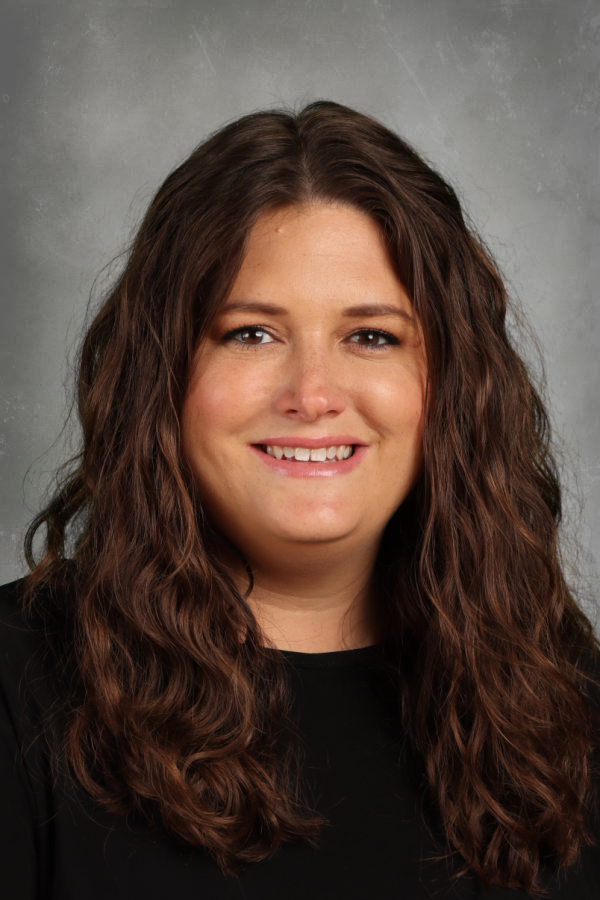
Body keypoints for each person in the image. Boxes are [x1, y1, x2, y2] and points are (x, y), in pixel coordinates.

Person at [1, 101, 599, 900]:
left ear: (452, 390)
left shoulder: (563, 694)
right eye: (251, 333)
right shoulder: (17, 684)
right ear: (164, 377)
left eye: (373, 336)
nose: (313, 395)